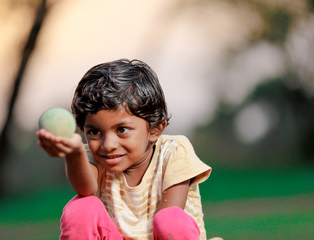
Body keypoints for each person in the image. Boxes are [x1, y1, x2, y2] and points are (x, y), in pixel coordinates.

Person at [37, 59, 212, 240]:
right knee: (82, 208)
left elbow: (170, 227)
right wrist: (74, 154)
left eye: (122, 130)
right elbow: (86, 188)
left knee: (170, 219)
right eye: (94, 132)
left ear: (155, 129)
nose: (108, 145)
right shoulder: (93, 157)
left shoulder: (174, 151)